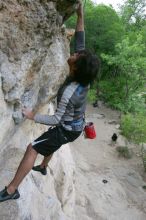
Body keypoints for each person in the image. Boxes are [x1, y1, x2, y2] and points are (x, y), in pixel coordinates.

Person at [0, 2, 100, 202]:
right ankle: (44, 167)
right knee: (52, 142)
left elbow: (56, 119)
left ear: (76, 68)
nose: (75, 52)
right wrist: (80, 15)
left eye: (77, 55)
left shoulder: (70, 91)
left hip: (66, 129)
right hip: (76, 124)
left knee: (33, 147)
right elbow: (80, 40)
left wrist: (32, 116)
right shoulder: (83, 78)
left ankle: (12, 190)